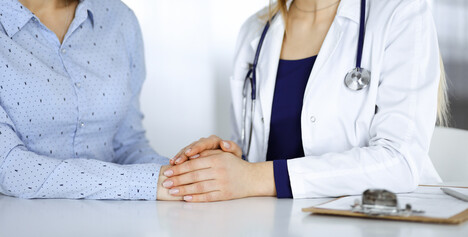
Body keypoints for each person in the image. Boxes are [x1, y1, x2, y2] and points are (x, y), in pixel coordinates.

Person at [161, 0, 449, 202]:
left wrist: (254, 177)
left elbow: (400, 161)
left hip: (383, 223)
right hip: (278, 224)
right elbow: (259, 156)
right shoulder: (255, 31)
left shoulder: (402, 13)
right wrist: (231, 161)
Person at [0, 0, 178, 200]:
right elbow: (9, 168)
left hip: (115, 225)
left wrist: (192, 174)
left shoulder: (118, 17)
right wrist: (149, 182)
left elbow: (127, 144)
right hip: (23, 227)